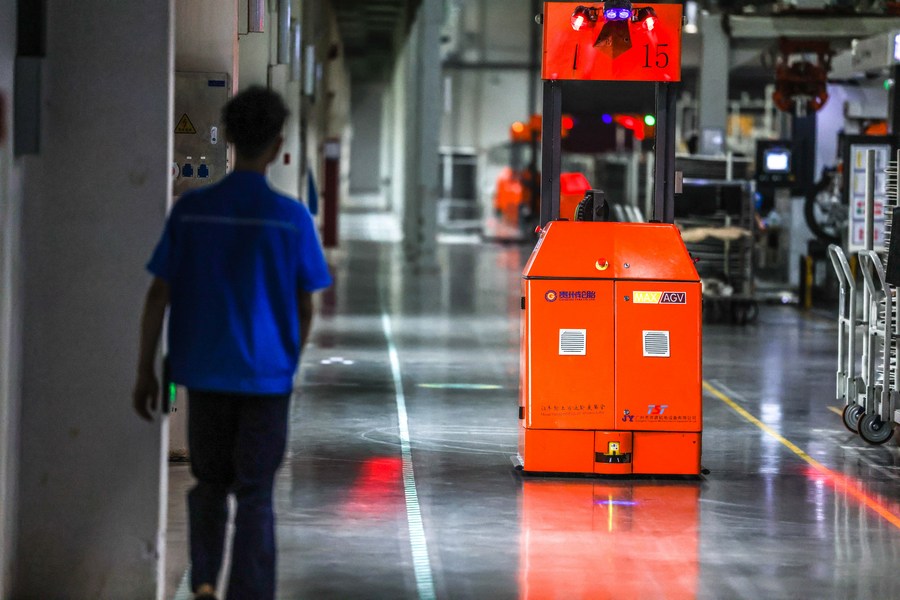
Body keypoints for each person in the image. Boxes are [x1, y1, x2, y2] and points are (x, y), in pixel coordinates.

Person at [132, 86, 332, 600]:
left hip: (204, 374)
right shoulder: (291, 219)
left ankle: (203, 581)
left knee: (209, 483)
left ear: (230, 138)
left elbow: (158, 294)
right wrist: (289, 361)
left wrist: (145, 370)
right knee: (255, 493)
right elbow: (306, 304)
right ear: (278, 146)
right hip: (266, 379)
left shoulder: (192, 211)